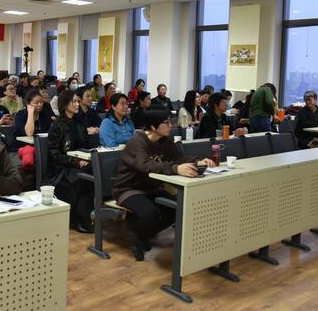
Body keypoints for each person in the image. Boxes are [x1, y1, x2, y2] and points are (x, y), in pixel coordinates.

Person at [113, 109, 214, 260]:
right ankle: (138, 235)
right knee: (150, 213)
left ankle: (142, 233)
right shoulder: (137, 141)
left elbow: (178, 158)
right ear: (153, 126)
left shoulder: (165, 140)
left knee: (176, 209)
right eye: (166, 122)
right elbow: (145, 165)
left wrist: (197, 162)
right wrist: (175, 169)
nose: (170, 125)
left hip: (152, 188)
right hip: (129, 188)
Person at [47, 90, 95, 233]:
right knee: (80, 177)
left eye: (77, 101)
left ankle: (86, 216)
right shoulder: (56, 126)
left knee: (93, 170)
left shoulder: (80, 123)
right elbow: (54, 154)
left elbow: (86, 146)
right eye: (73, 101)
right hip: (62, 167)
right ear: (64, 104)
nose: (77, 104)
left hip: (80, 162)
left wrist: (85, 158)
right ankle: (77, 219)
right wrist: (75, 162)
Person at [14, 89, 54, 170]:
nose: (40, 105)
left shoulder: (44, 114)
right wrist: (30, 113)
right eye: (36, 103)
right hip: (22, 145)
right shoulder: (20, 115)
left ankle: (28, 153)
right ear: (28, 103)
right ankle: (27, 152)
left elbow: (50, 131)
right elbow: (29, 133)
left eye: (41, 102)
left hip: (41, 145)